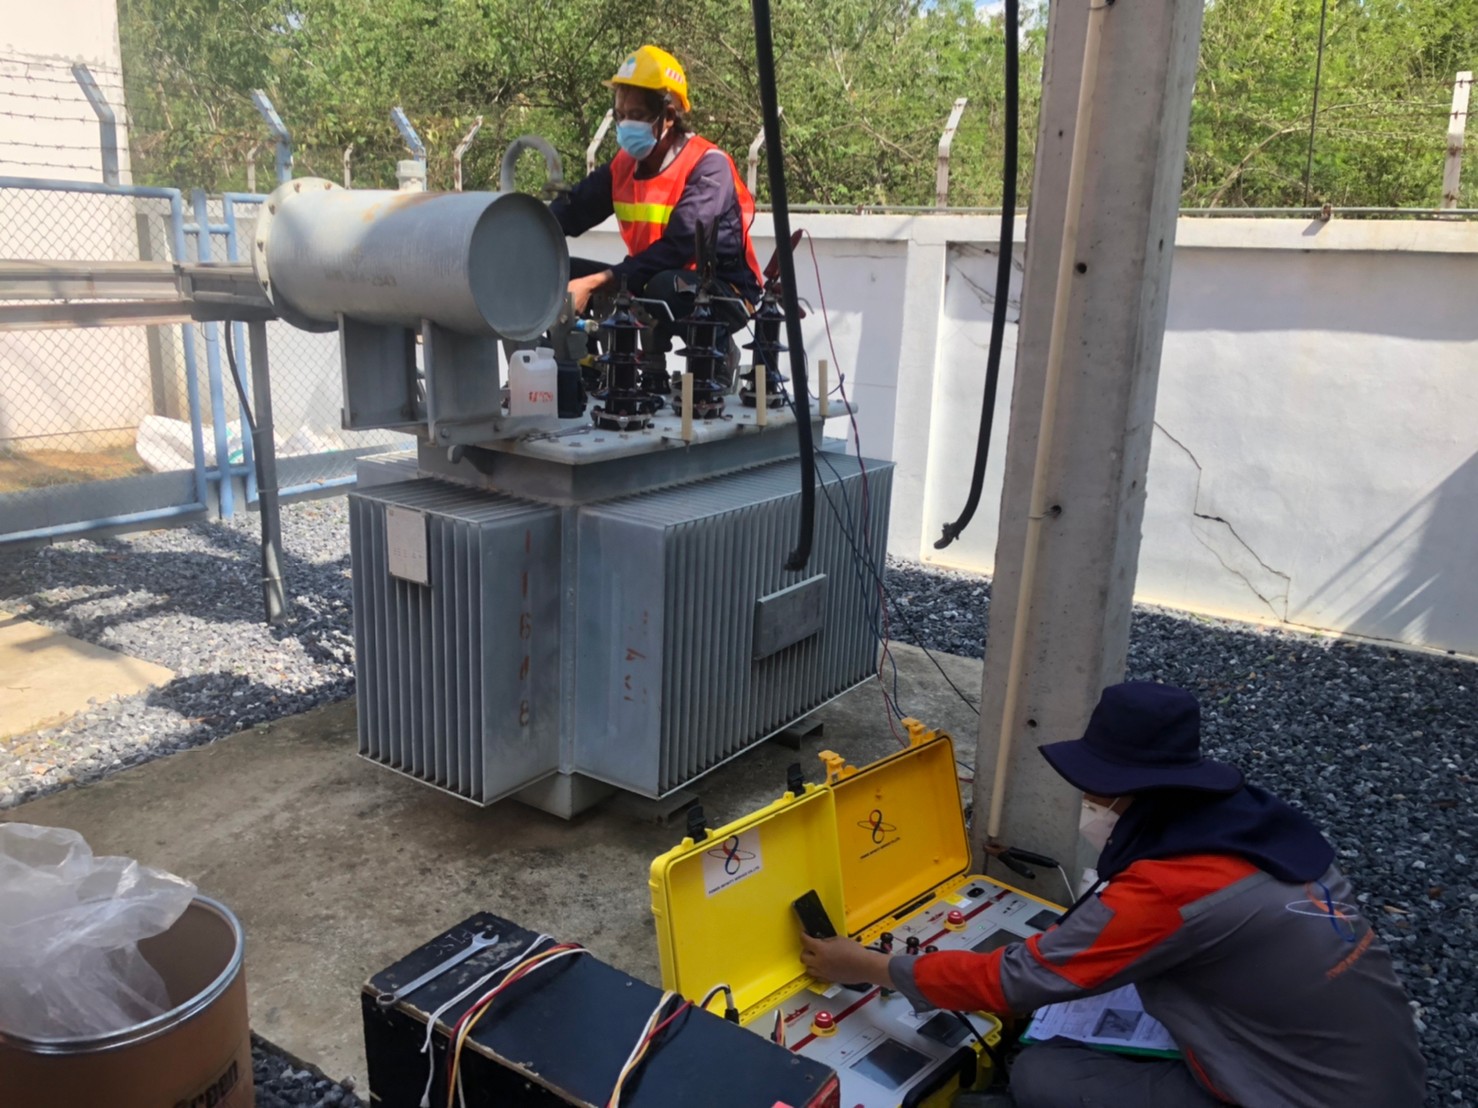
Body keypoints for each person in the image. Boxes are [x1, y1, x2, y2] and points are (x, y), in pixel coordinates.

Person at [800, 681, 1426, 1107]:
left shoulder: (1169, 888)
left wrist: (870, 966)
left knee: (1042, 1071)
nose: (1089, 804)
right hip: (1381, 1075)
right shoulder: (1249, 825)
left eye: (1095, 791)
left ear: (1131, 791)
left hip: (1294, 1094)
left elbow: (1013, 982)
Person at [549, 45, 763, 375]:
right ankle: (581, 365)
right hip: (647, 275)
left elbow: (676, 249)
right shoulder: (624, 166)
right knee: (558, 271)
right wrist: (524, 229)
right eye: (620, 115)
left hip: (723, 291)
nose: (625, 124)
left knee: (664, 284)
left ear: (669, 116)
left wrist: (596, 282)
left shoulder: (708, 166)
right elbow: (573, 211)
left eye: (635, 115)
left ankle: (718, 355)